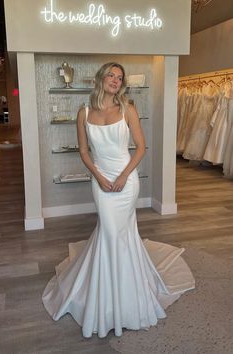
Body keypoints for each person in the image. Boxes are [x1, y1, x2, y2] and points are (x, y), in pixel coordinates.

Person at [42, 62, 195, 338]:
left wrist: (125, 176)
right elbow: (85, 152)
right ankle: (109, 296)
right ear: (101, 78)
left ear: (122, 84)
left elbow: (141, 147)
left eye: (119, 77)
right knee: (110, 232)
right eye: (110, 75)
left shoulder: (128, 109)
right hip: (100, 180)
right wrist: (99, 178)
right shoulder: (84, 112)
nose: (115, 80)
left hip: (127, 180)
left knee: (116, 234)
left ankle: (124, 297)